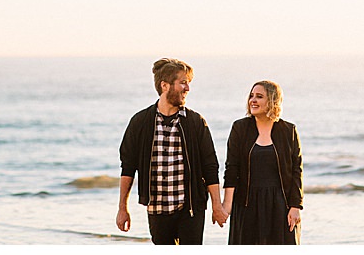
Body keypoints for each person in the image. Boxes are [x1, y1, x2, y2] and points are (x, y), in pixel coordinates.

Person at [116, 58, 228, 244]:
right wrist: (122, 208)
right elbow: (128, 168)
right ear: (165, 85)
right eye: (183, 82)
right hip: (157, 208)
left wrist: (217, 205)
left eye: (189, 83)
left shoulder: (195, 122)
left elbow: (210, 166)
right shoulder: (140, 122)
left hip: (191, 208)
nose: (188, 88)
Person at [222, 80, 303, 244]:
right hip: (246, 203)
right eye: (251, 96)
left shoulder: (288, 131)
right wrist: (226, 206)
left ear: (272, 100)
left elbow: (296, 171)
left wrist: (295, 206)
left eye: (259, 96)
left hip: (281, 204)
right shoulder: (240, 128)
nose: (253, 100)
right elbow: (232, 169)